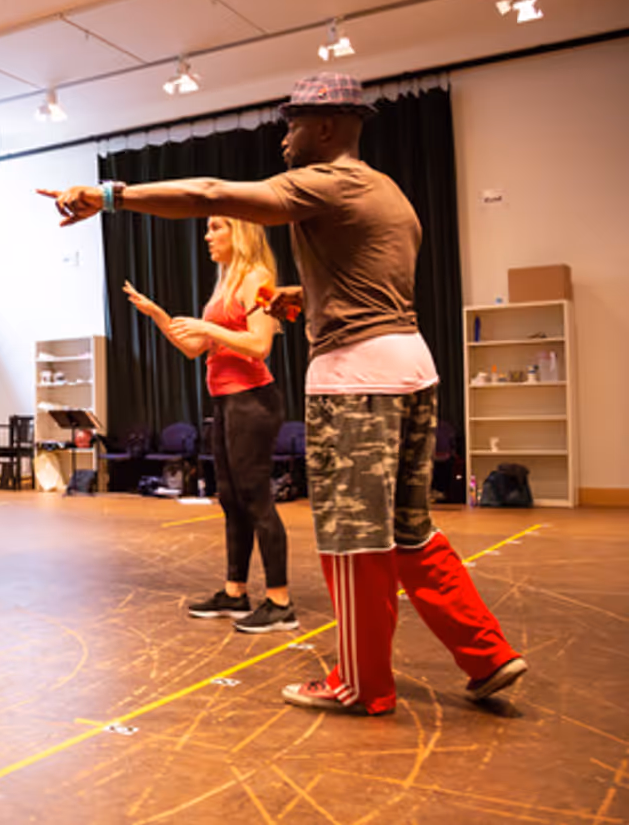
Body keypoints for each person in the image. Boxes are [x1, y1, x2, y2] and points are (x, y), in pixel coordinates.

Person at [41, 72, 525, 716]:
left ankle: (362, 683)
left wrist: (110, 195)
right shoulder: (387, 191)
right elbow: (373, 278)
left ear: (326, 128)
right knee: (410, 530)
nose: (283, 139)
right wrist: (304, 295)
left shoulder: (327, 180)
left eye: (293, 125)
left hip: (358, 378)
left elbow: (211, 193)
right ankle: (487, 653)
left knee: (353, 537)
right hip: (411, 367)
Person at [122, 215, 296, 633]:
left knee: (256, 499)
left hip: (253, 401)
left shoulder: (257, 277)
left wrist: (207, 325)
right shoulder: (224, 284)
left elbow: (260, 345)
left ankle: (280, 602)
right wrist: (158, 314)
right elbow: (193, 347)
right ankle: (235, 593)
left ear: (241, 231)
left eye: (217, 226)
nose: (207, 235)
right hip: (227, 403)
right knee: (231, 500)